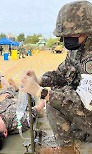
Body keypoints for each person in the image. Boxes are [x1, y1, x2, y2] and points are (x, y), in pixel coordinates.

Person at [21, 0, 92, 150]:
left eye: (71, 34)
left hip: (87, 105)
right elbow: (61, 74)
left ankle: (67, 151)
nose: (66, 38)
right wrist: (39, 80)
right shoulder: (78, 49)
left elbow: (83, 101)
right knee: (56, 97)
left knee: (54, 102)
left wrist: (41, 92)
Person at [0, 79, 45, 152]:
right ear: (5, 132)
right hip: (19, 101)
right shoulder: (18, 122)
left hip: (3, 99)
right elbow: (34, 110)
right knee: (25, 91)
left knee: (5, 91)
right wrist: (42, 100)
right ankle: (14, 88)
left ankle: (11, 87)